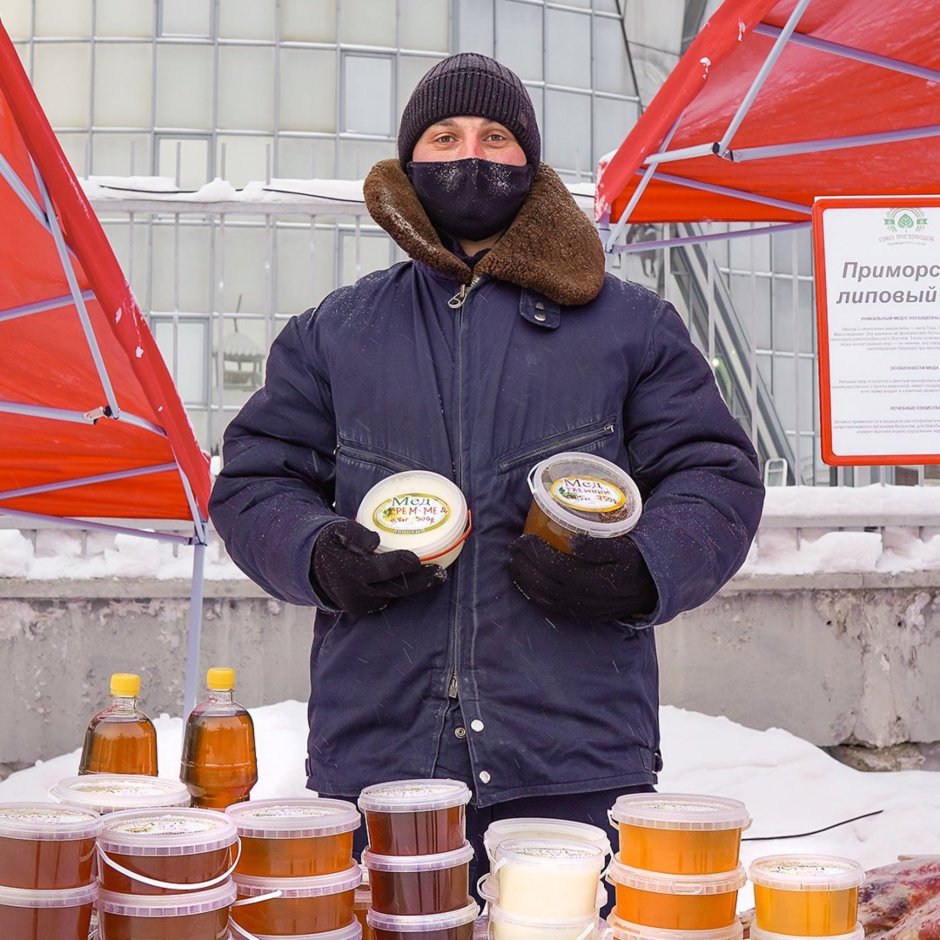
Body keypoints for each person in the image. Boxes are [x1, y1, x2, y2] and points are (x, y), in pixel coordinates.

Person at [210, 53, 764, 888]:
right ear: (409, 161)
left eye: (495, 136)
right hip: (383, 757)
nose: (470, 153)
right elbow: (255, 480)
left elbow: (715, 475)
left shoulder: (631, 328)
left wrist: (647, 567)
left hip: (574, 760)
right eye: (446, 135)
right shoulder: (337, 332)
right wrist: (318, 552)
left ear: (530, 163)